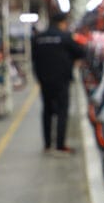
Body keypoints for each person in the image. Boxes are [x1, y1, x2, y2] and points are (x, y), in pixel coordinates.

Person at [31, 11, 85, 155]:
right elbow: (81, 52)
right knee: (62, 111)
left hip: (44, 80)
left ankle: (47, 144)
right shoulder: (65, 37)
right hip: (61, 80)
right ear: (62, 23)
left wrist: (39, 78)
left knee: (47, 111)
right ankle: (60, 145)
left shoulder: (38, 38)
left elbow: (34, 59)